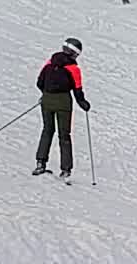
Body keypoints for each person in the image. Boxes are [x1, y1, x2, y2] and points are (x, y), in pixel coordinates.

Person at [33, 38, 91, 179]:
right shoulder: (73, 68)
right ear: (74, 53)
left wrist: (46, 94)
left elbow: (39, 82)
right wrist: (84, 104)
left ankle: (40, 163)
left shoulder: (50, 62)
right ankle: (66, 170)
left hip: (47, 101)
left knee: (47, 130)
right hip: (63, 103)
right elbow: (77, 90)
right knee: (64, 135)